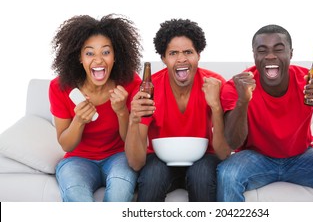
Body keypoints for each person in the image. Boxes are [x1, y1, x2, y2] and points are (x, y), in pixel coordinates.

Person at [217, 24, 313, 202]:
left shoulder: (310, 81)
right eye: (262, 50)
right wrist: (243, 101)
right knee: (227, 175)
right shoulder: (237, 86)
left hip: (302, 156)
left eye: (278, 49)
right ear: (254, 55)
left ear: (290, 53)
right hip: (255, 158)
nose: (270, 56)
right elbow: (233, 142)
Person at [125, 18, 231, 201]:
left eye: (188, 52)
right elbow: (136, 163)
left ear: (198, 55)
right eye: (173, 53)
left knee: (201, 177)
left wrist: (216, 107)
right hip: (159, 159)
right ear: (163, 58)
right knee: (152, 178)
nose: (181, 59)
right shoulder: (148, 89)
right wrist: (133, 121)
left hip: (204, 158)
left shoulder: (216, 84)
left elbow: (224, 153)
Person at [49, 14, 143, 202]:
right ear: (80, 58)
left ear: (115, 56)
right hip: (77, 160)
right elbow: (66, 144)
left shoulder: (131, 83)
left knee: (120, 189)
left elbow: (131, 141)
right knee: (75, 193)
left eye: (106, 52)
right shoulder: (60, 87)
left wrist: (122, 111)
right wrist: (79, 121)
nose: (98, 60)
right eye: (90, 53)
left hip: (118, 156)